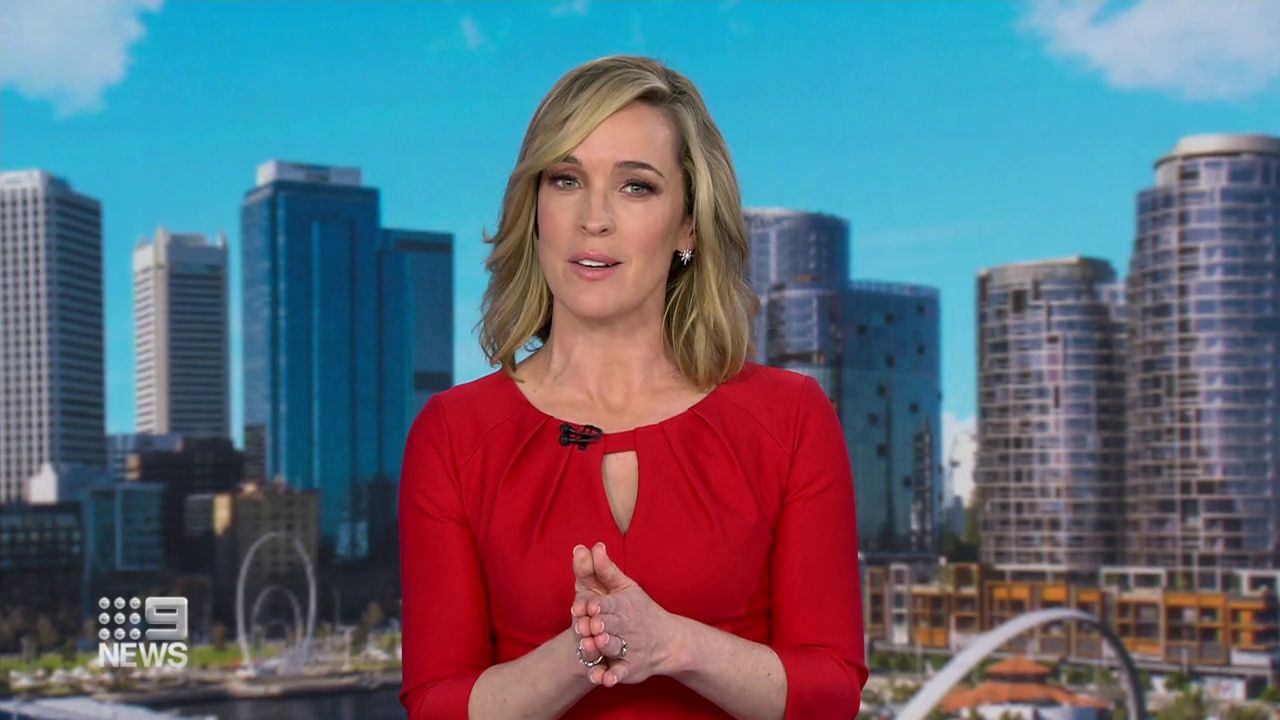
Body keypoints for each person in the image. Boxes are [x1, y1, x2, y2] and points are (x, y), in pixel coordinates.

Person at [399, 55, 866, 719]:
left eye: (636, 187)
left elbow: (832, 690)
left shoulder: (790, 418)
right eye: (566, 179)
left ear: (688, 225)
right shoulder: (454, 434)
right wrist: (582, 652)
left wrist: (674, 644)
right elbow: (435, 703)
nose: (594, 218)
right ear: (536, 209)